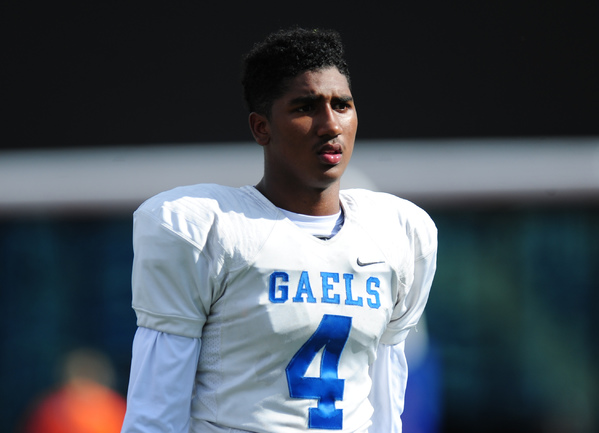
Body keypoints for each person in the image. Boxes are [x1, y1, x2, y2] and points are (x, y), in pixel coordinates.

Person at [120, 27, 437, 433]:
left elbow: (386, 405)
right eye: (306, 107)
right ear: (261, 127)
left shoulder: (398, 232)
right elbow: (155, 412)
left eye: (342, 105)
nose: (330, 124)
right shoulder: (207, 229)